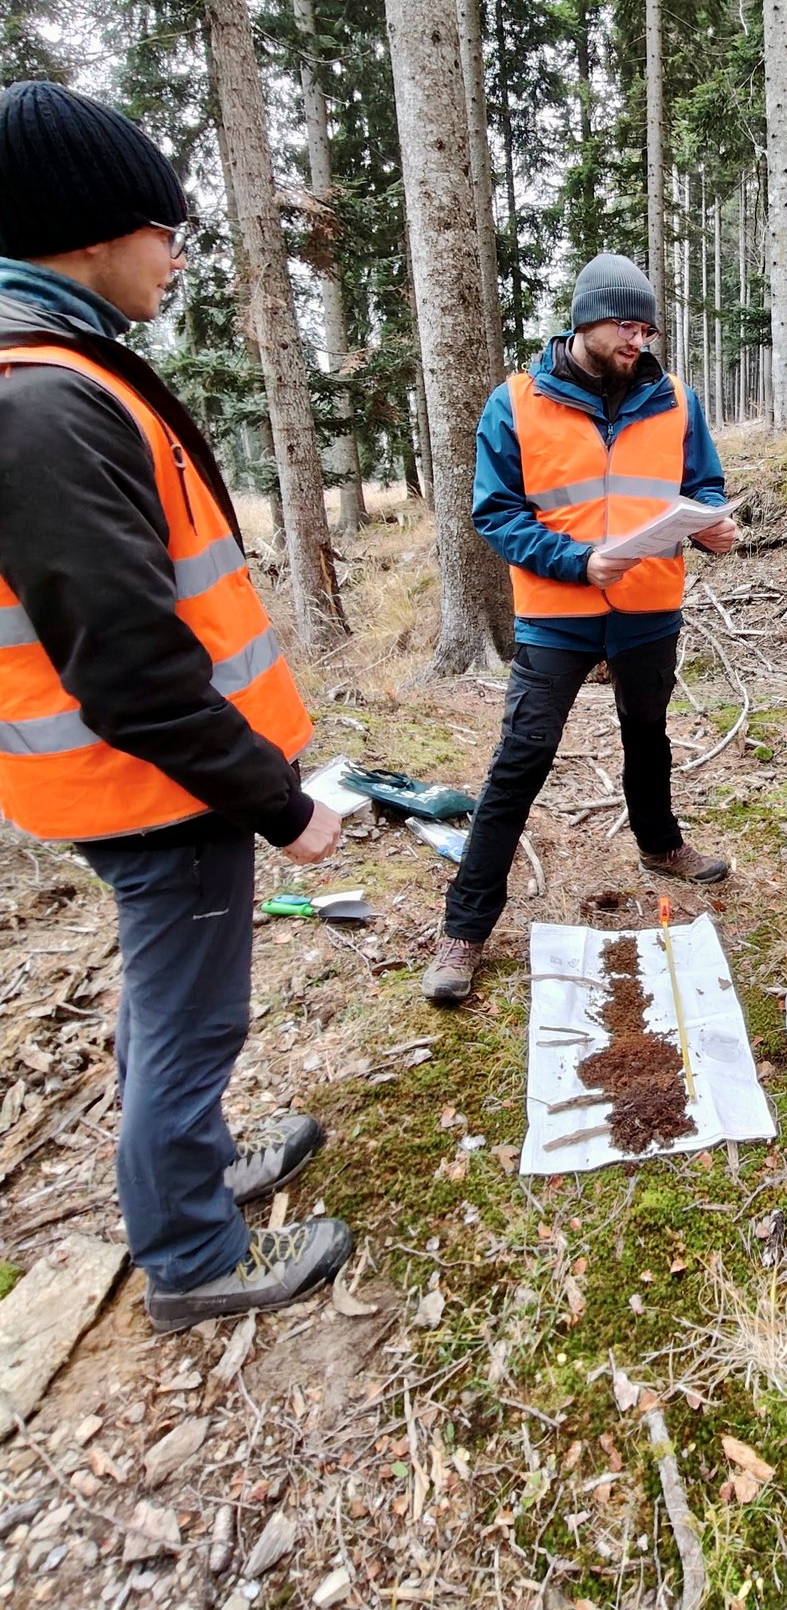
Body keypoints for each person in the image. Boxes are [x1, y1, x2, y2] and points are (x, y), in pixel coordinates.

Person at [0, 79, 352, 1332]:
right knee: (191, 1020)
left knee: (170, 1007)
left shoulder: (56, 373)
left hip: (142, 781)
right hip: (153, 788)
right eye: (165, 225)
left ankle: (196, 1169)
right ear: (91, 230)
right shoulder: (42, 402)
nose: (177, 250)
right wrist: (278, 803)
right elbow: (134, 667)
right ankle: (195, 1254)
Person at [427, 253, 737, 1003]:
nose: (639, 339)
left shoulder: (676, 401)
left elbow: (703, 485)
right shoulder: (516, 402)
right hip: (555, 615)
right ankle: (465, 927)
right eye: (626, 325)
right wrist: (577, 562)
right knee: (521, 758)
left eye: (647, 329)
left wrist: (711, 527)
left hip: (649, 607)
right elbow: (495, 514)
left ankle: (659, 844)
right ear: (586, 322)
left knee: (648, 730)